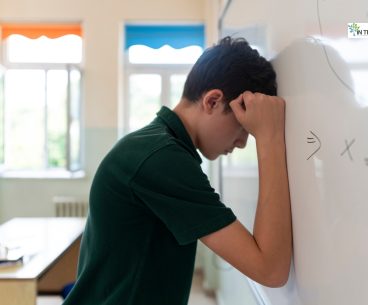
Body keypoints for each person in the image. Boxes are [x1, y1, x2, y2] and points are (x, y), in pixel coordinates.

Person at [62, 36, 292, 305]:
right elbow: (270, 269)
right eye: (243, 127)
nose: (242, 142)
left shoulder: (157, 146)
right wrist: (269, 136)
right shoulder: (162, 159)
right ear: (213, 101)